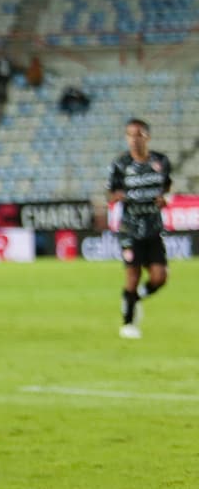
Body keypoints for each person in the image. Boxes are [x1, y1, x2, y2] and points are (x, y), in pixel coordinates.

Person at [107, 118, 171, 339]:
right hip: (130, 229)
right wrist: (116, 196)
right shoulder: (120, 164)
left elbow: (167, 187)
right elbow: (110, 192)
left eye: (138, 134)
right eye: (130, 135)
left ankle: (136, 298)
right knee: (132, 275)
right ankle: (128, 323)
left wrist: (165, 198)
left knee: (159, 277)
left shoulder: (161, 161)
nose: (134, 140)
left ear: (147, 137)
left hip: (153, 228)